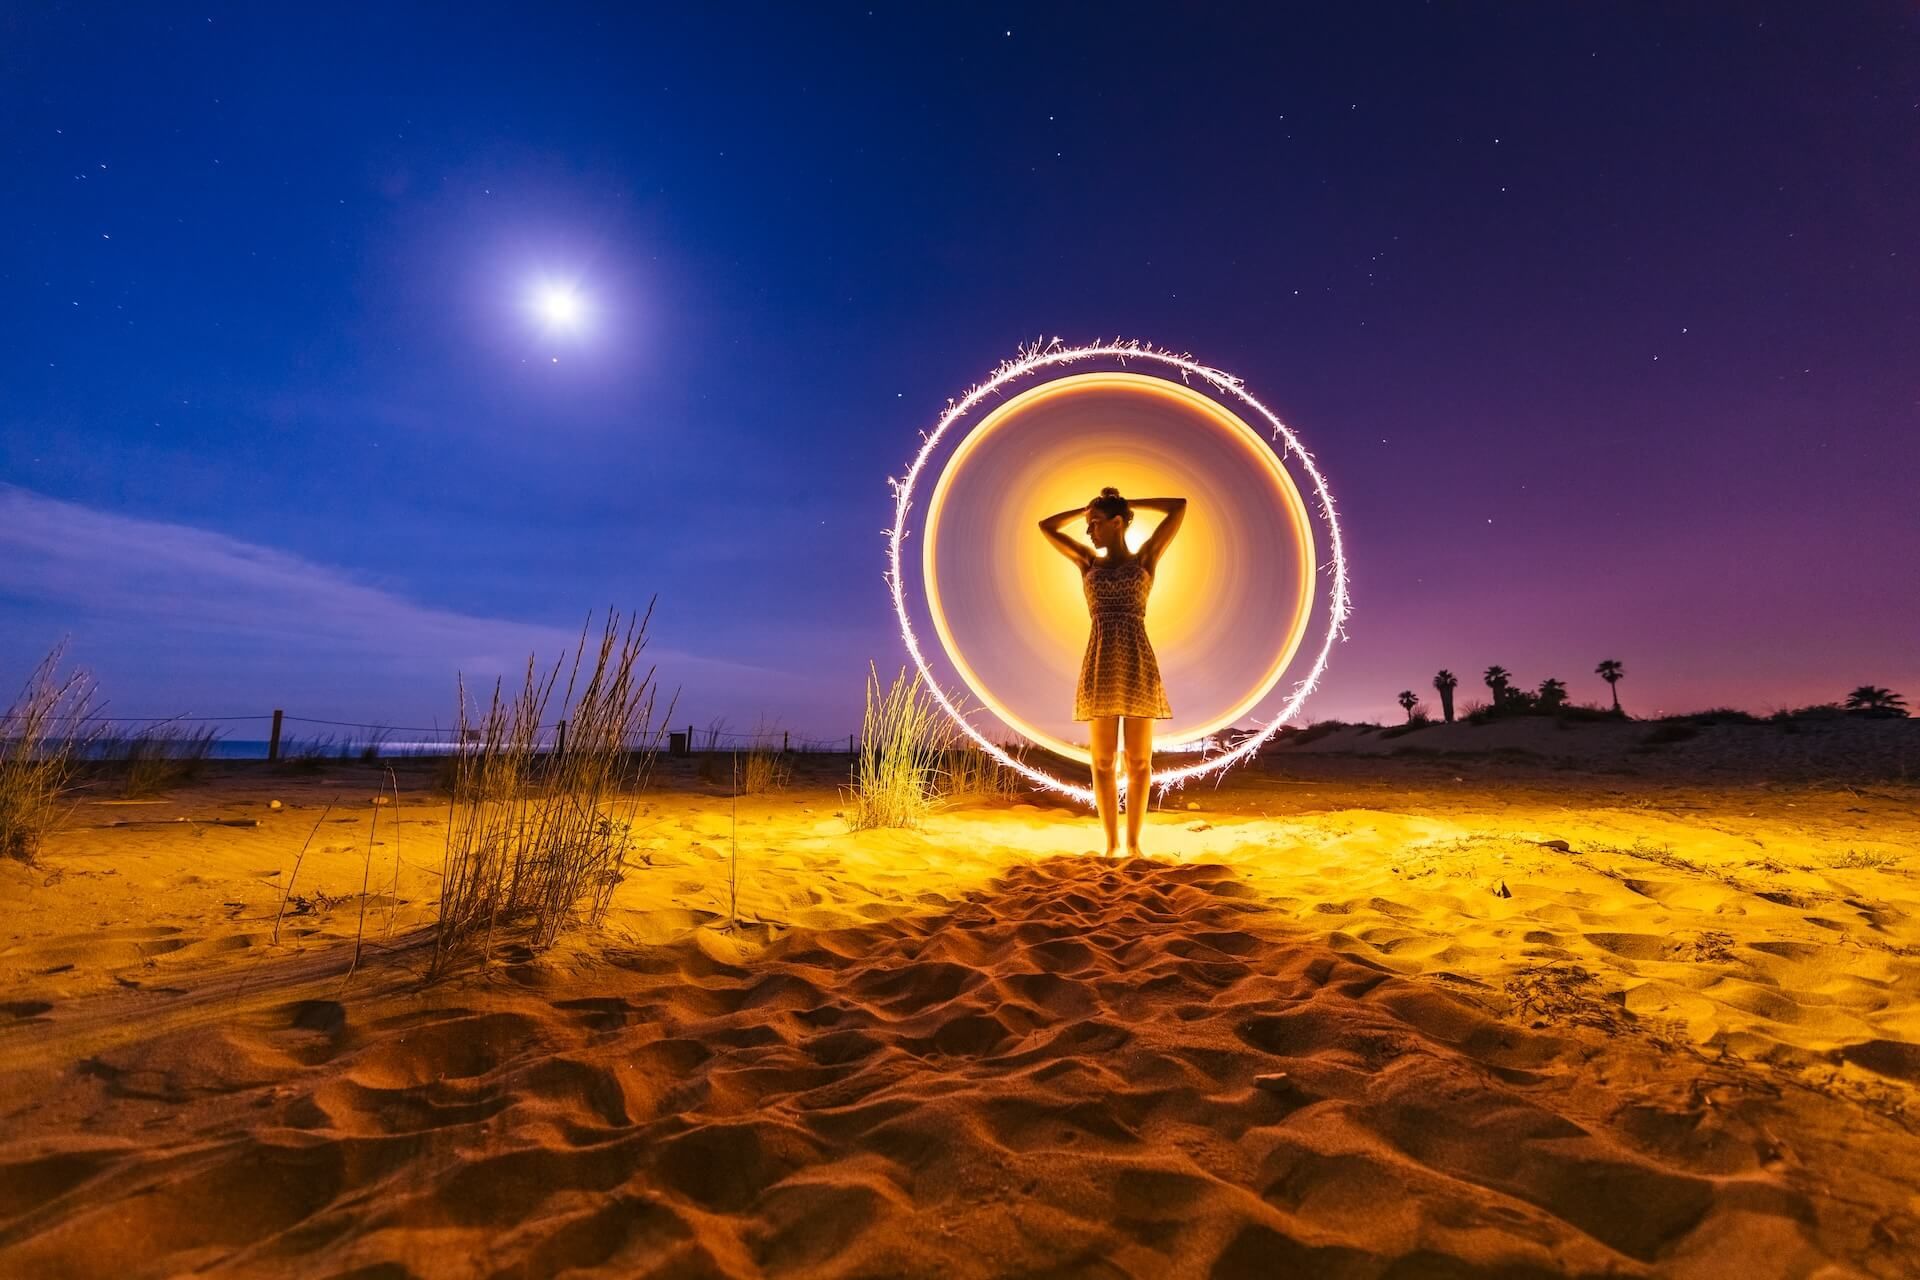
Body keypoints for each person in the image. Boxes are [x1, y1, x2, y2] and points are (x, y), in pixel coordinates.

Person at [1036, 487, 1187, 856]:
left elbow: (1178, 506)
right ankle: (1111, 844)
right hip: (1100, 660)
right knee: (1102, 761)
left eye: (1096, 524)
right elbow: (1046, 527)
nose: (1089, 531)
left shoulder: (1146, 559)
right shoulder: (1087, 562)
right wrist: (1085, 509)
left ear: (1117, 523)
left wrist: (1129, 504)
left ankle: (1134, 845)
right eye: (1089, 525)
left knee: (1139, 761)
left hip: (1137, 660)